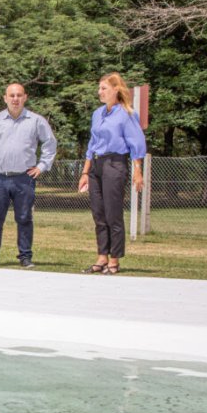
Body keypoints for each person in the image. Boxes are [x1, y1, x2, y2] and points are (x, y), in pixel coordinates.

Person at [0, 83, 57, 268]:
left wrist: (42, 166)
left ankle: (25, 257)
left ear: (25, 97)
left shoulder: (36, 121)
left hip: (24, 178)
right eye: (11, 95)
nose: (15, 98)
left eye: (19, 95)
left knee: (24, 218)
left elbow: (50, 144)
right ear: (5, 98)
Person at [77, 72, 146, 275]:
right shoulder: (97, 114)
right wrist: (85, 171)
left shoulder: (127, 113)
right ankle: (101, 257)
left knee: (113, 214)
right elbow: (92, 144)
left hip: (115, 164)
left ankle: (114, 260)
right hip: (97, 165)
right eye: (99, 88)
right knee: (98, 214)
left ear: (116, 90)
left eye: (104, 88)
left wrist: (137, 170)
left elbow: (137, 143)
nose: (100, 92)